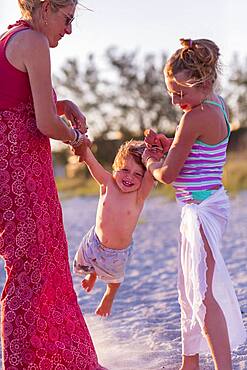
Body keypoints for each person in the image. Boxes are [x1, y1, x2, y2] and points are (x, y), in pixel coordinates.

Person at [0, 1, 105, 368]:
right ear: (45, 8)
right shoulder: (32, 40)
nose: (69, 29)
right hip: (20, 173)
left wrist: (63, 105)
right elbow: (44, 123)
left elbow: (16, 105)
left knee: (32, 268)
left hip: (15, 171)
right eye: (68, 18)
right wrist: (76, 137)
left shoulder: (10, 38)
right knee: (34, 271)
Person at [142, 38, 246, 370]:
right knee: (190, 286)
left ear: (204, 83)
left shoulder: (194, 117)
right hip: (209, 205)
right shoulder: (216, 106)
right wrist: (171, 143)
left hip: (200, 210)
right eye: (171, 91)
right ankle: (190, 363)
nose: (174, 100)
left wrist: (149, 162)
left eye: (180, 93)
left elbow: (170, 173)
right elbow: (198, 148)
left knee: (201, 293)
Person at [73, 140, 155, 317]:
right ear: (115, 168)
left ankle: (109, 296)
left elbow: (153, 173)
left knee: (115, 279)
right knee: (85, 261)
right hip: (94, 240)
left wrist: (154, 155)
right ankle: (92, 274)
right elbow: (90, 161)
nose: (129, 177)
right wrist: (81, 142)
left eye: (137, 174)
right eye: (125, 170)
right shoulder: (107, 183)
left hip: (117, 252)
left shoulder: (139, 195)